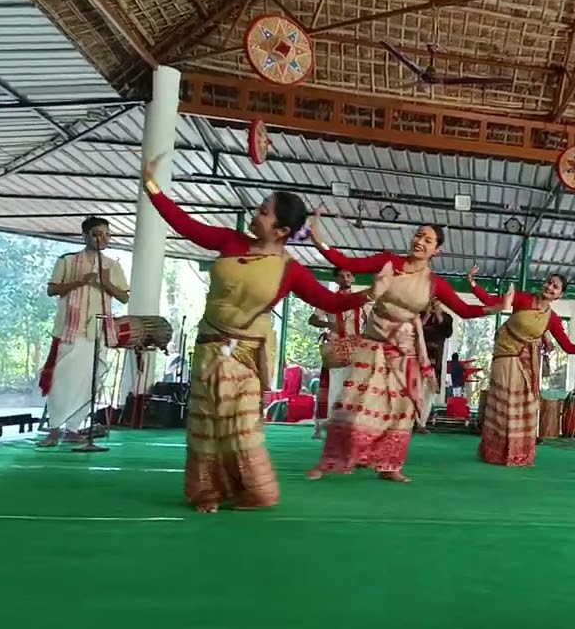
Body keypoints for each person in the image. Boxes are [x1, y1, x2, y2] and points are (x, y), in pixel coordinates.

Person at [140, 158, 376, 513]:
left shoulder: (290, 270)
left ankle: (253, 491)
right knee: (206, 421)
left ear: (280, 230)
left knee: (241, 426)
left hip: (246, 355)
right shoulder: (231, 242)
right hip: (209, 348)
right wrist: (152, 188)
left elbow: (327, 300)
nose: (256, 213)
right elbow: (186, 225)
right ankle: (206, 492)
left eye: (264, 212)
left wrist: (371, 294)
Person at [308, 225, 509, 482]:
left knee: (401, 410)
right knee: (353, 402)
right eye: (418, 236)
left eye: (428, 240)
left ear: (436, 250)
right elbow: (346, 262)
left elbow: (464, 310)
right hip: (373, 344)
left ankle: (390, 466)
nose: (420, 242)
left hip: (405, 350)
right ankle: (331, 461)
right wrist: (318, 240)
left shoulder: (433, 283)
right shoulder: (388, 262)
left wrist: (497, 307)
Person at [467, 266, 575, 466]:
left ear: (560, 295)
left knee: (524, 404)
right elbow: (492, 302)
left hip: (527, 363)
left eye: (555, 287)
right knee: (504, 403)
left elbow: (567, 346)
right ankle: (496, 453)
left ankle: (518, 453)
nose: (549, 287)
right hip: (505, 356)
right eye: (548, 282)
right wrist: (473, 283)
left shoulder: (551, 318)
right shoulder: (523, 299)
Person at [37, 216, 131, 447]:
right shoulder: (67, 261)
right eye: (97, 234)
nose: (103, 239)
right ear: (85, 236)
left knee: (88, 382)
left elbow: (124, 296)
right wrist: (81, 281)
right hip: (70, 329)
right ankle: (54, 428)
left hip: (96, 331)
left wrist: (106, 284)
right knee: (61, 380)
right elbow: (52, 290)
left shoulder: (112, 265)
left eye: (107, 234)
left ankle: (74, 428)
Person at [308, 268, 366, 439]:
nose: (346, 278)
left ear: (353, 277)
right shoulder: (328, 299)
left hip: (356, 348)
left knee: (354, 387)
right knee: (330, 386)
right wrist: (328, 325)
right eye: (341, 276)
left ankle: (349, 426)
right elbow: (312, 319)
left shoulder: (361, 301)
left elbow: (369, 323)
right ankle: (320, 426)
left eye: (349, 275)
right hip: (335, 346)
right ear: (336, 279)